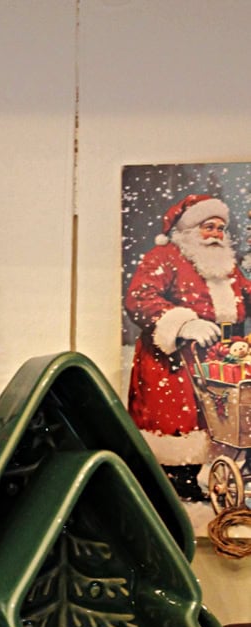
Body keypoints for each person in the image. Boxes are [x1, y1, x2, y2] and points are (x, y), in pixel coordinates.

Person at [125, 193, 251, 500]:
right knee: (180, 419)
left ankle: (228, 469)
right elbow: (140, 299)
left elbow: (245, 294)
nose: (216, 235)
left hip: (225, 353)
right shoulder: (163, 257)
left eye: (220, 229)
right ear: (188, 229)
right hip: (176, 356)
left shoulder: (226, 265)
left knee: (232, 412)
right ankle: (178, 477)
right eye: (208, 227)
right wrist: (182, 324)